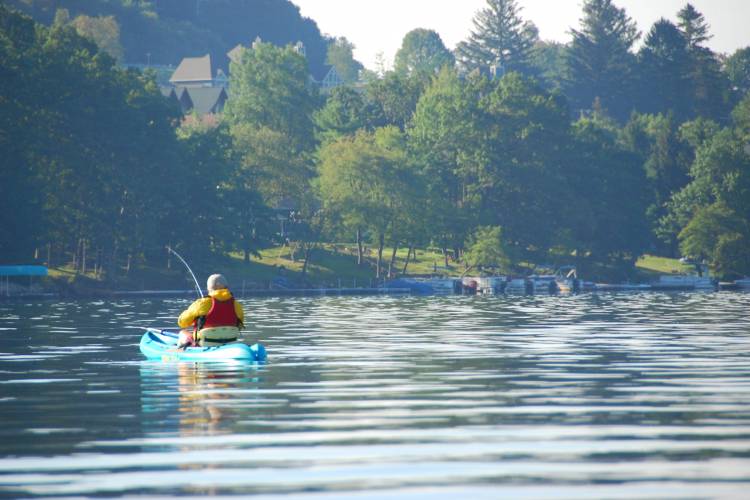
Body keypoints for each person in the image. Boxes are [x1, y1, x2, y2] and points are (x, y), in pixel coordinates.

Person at [177, 274, 244, 348]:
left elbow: (182, 322)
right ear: (227, 287)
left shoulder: (202, 303)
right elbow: (239, 326)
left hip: (204, 344)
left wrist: (196, 320)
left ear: (209, 288)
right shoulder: (236, 305)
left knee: (182, 332)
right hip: (231, 343)